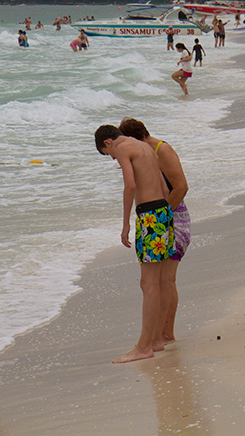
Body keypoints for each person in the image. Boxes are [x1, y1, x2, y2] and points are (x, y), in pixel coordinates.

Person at [94, 125, 173, 363]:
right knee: (158, 282)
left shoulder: (123, 149)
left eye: (108, 155)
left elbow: (130, 185)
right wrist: (165, 216)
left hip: (149, 215)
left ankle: (143, 347)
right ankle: (157, 340)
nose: (113, 159)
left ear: (108, 143)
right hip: (163, 211)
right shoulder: (146, 147)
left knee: (148, 284)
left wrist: (126, 223)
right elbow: (162, 184)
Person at [118, 118, 190, 344]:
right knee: (160, 281)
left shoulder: (162, 149)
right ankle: (161, 334)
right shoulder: (146, 153)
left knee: (166, 280)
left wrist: (162, 215)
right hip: (162, 217)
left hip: (174, 217)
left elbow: (181, 187)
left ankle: (166, 334)